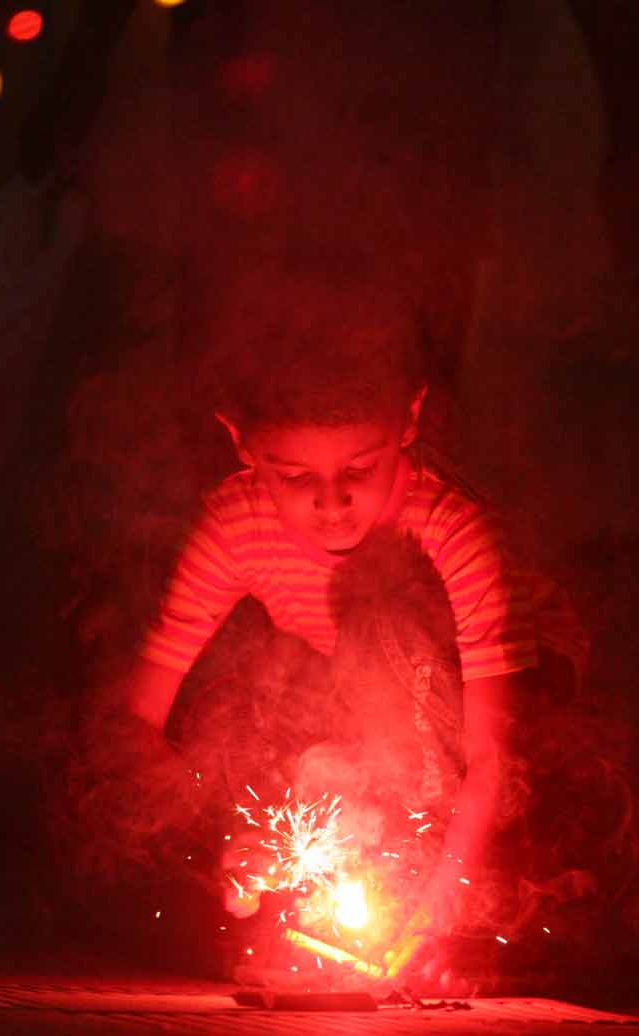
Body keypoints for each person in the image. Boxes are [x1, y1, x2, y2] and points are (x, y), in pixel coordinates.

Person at [105, 275, 586, 987]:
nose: (332, 505)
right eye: (294, 475)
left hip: (496, 733)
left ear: (410, 421)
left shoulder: (449, 530)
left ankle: (465, 915)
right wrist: (222, 836)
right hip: (358, 727)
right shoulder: (234, 526)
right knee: (251, 685)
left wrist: (440, 909)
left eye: (359, 469)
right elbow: (131, 721)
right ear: (241, 442)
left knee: (381, 608)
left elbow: (496, 758)